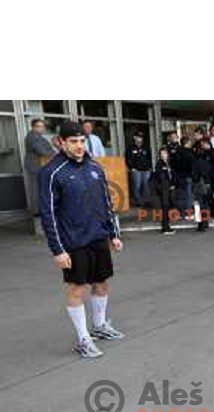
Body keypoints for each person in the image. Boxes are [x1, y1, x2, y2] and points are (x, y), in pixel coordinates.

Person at [38, 120, 124, 359]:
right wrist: (57, 250)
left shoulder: (95, 167)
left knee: (102, 282)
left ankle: (99, 327)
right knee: (77, 288)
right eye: (73, 141)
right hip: (73, 241)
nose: (79, 146)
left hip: (97, 236)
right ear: (61, 142)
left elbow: (106, 203)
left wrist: (113, 234)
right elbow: (48, 214)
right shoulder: (51, 173)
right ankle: (83, 339)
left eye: (81, 141)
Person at [24, 118, 55, 214]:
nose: (42, 128)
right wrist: (53, 153)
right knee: (36, 188)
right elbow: (42, 151)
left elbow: (47, 148)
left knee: (39, 188)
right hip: (35, 166)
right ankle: (36, 211)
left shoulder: (38, 136)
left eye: (42, 126)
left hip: (39, 165)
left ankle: (39, 210)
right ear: (33, 127)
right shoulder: (33, 137)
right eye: (39, 126)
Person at [153, 146, 176, 234]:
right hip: (163, 188)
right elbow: (160, 177)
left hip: (169, 187)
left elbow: (171, 175)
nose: (163, 156)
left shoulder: (169, 163)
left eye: (165, 154)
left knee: (168, 206)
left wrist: (173, 184)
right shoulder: (159, 164)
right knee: (165, 207)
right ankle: (165, 227)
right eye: (162, 154)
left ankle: (167, 225)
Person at [125, 131, 152, 208]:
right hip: (136, 170)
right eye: (138, 137)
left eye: (141, 137)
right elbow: (128, 159)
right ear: (135, 138)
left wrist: (149, 167)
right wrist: (132, 167)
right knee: (136, 186)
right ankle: (137, 201)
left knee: (146, 186)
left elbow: (149, 158)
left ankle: (147, 201)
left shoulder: (145, 147)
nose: (140, 139)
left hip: (145, 170)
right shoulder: (130, 148)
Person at [192, 138, 214, 231]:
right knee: (205, 204)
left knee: (199, 204)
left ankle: (201, 224)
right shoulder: (207, 161)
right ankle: (206, 222)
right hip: (207, 183)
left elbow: (195, 175)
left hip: (199, 184)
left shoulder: (196, 162)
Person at [175, 136, 195, 220]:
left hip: (179, 176)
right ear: (187, 143)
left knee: (181, 195)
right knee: (188, 195)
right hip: (188, 176)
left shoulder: (177, 152)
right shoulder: (190, 153)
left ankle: (181, 212)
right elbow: (192, 165)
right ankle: (188, 212)